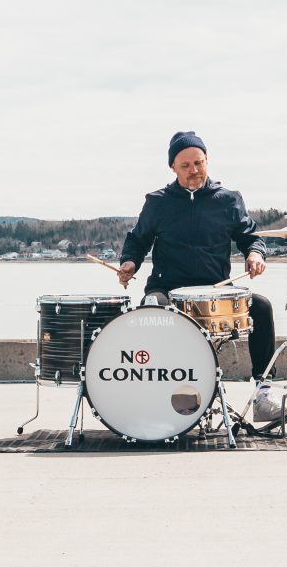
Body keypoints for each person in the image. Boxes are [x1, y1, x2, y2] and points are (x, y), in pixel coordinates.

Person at [116, 131, 277, 382]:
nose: (194, 170)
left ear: (207, 160)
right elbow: (138, 239)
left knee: (262, 307)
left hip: (214, 290)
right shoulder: (158, 203)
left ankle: (263, 389)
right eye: (186, 165)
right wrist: (130, 262)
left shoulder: (228, 200)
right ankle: (158, 384)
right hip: (166, 289)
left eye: (199, 163)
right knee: (152, 307)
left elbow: (250, 235)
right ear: (173, 167)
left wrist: (256, 253)